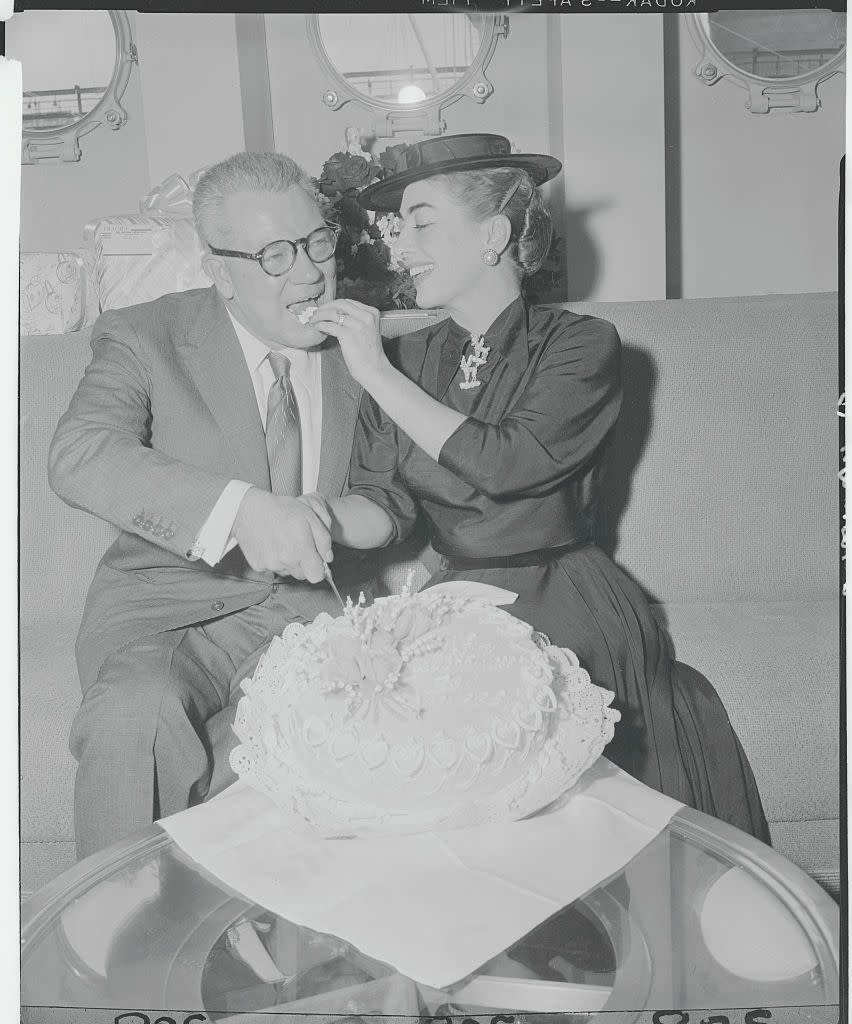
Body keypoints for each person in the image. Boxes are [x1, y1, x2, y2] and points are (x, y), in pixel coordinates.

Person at [299, 133, 770, 842]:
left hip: (563, 596)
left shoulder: (583, 345)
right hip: (454, 598)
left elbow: (508, 464)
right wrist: (311, 520)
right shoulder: (403, 358)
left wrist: (373, 374)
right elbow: (383, 504)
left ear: (492, 235)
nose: (401, 249)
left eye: (422, 223)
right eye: (400, 228)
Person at [49, 151, 375, 859]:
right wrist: (241, 511)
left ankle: (282, 943)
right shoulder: (144, 335)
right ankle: (124, 943)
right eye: (275, 254)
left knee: (319, 740)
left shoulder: (369, 349)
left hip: (312, 619)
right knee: (132, 720)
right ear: (220, 272)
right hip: (162, 612)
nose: (311, 271)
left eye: (319, 241)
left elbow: (407, 499)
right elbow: (80, 455)